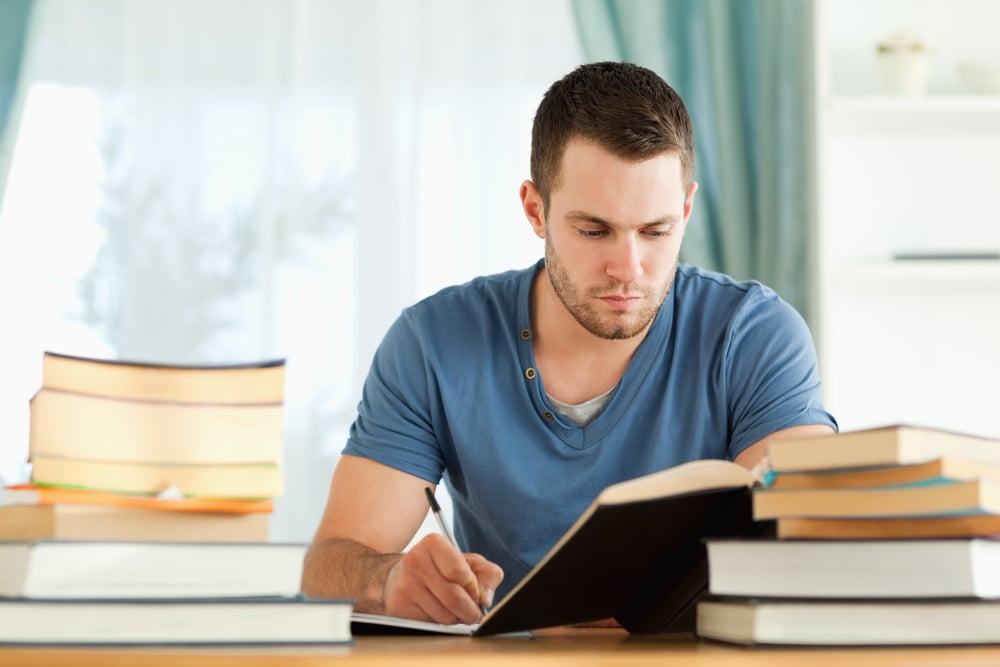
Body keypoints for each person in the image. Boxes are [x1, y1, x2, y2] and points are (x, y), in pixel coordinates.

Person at [301, 61, 836, 626]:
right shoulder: (433, 344)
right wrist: (387, 579)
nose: (628, 269)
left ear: (686, 209)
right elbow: (327, 568)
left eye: (655, 232)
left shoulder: (754, 336)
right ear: (536, 210)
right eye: (593, 231)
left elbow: (801, 550)